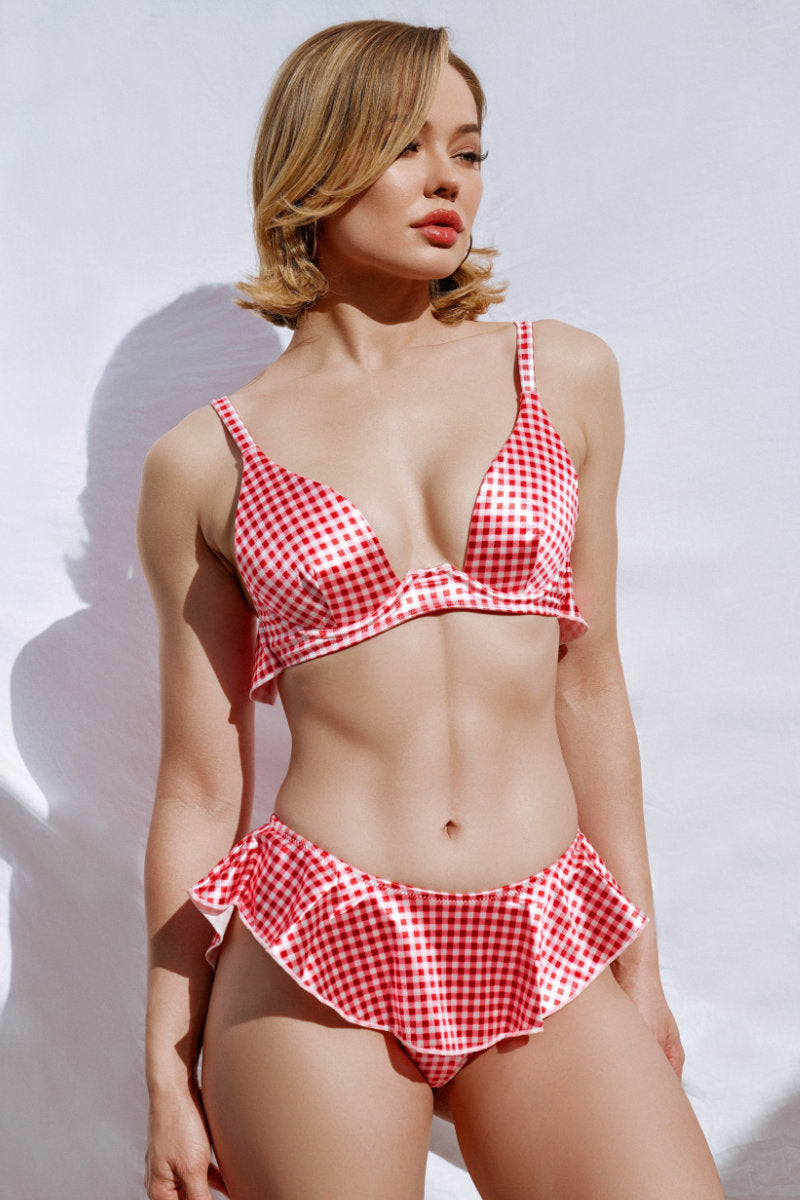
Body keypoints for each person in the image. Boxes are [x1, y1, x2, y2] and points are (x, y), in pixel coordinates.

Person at [137, 18, 725, 1200]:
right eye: (405, 145)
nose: (446, 178)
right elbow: (201, 784)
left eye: (467, 149)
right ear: (317, 159)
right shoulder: (204, 459)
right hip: (314, 942)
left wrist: (639, 962)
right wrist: (163, 1061)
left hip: (544, 931)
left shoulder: (561, 373)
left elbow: (587, 684)